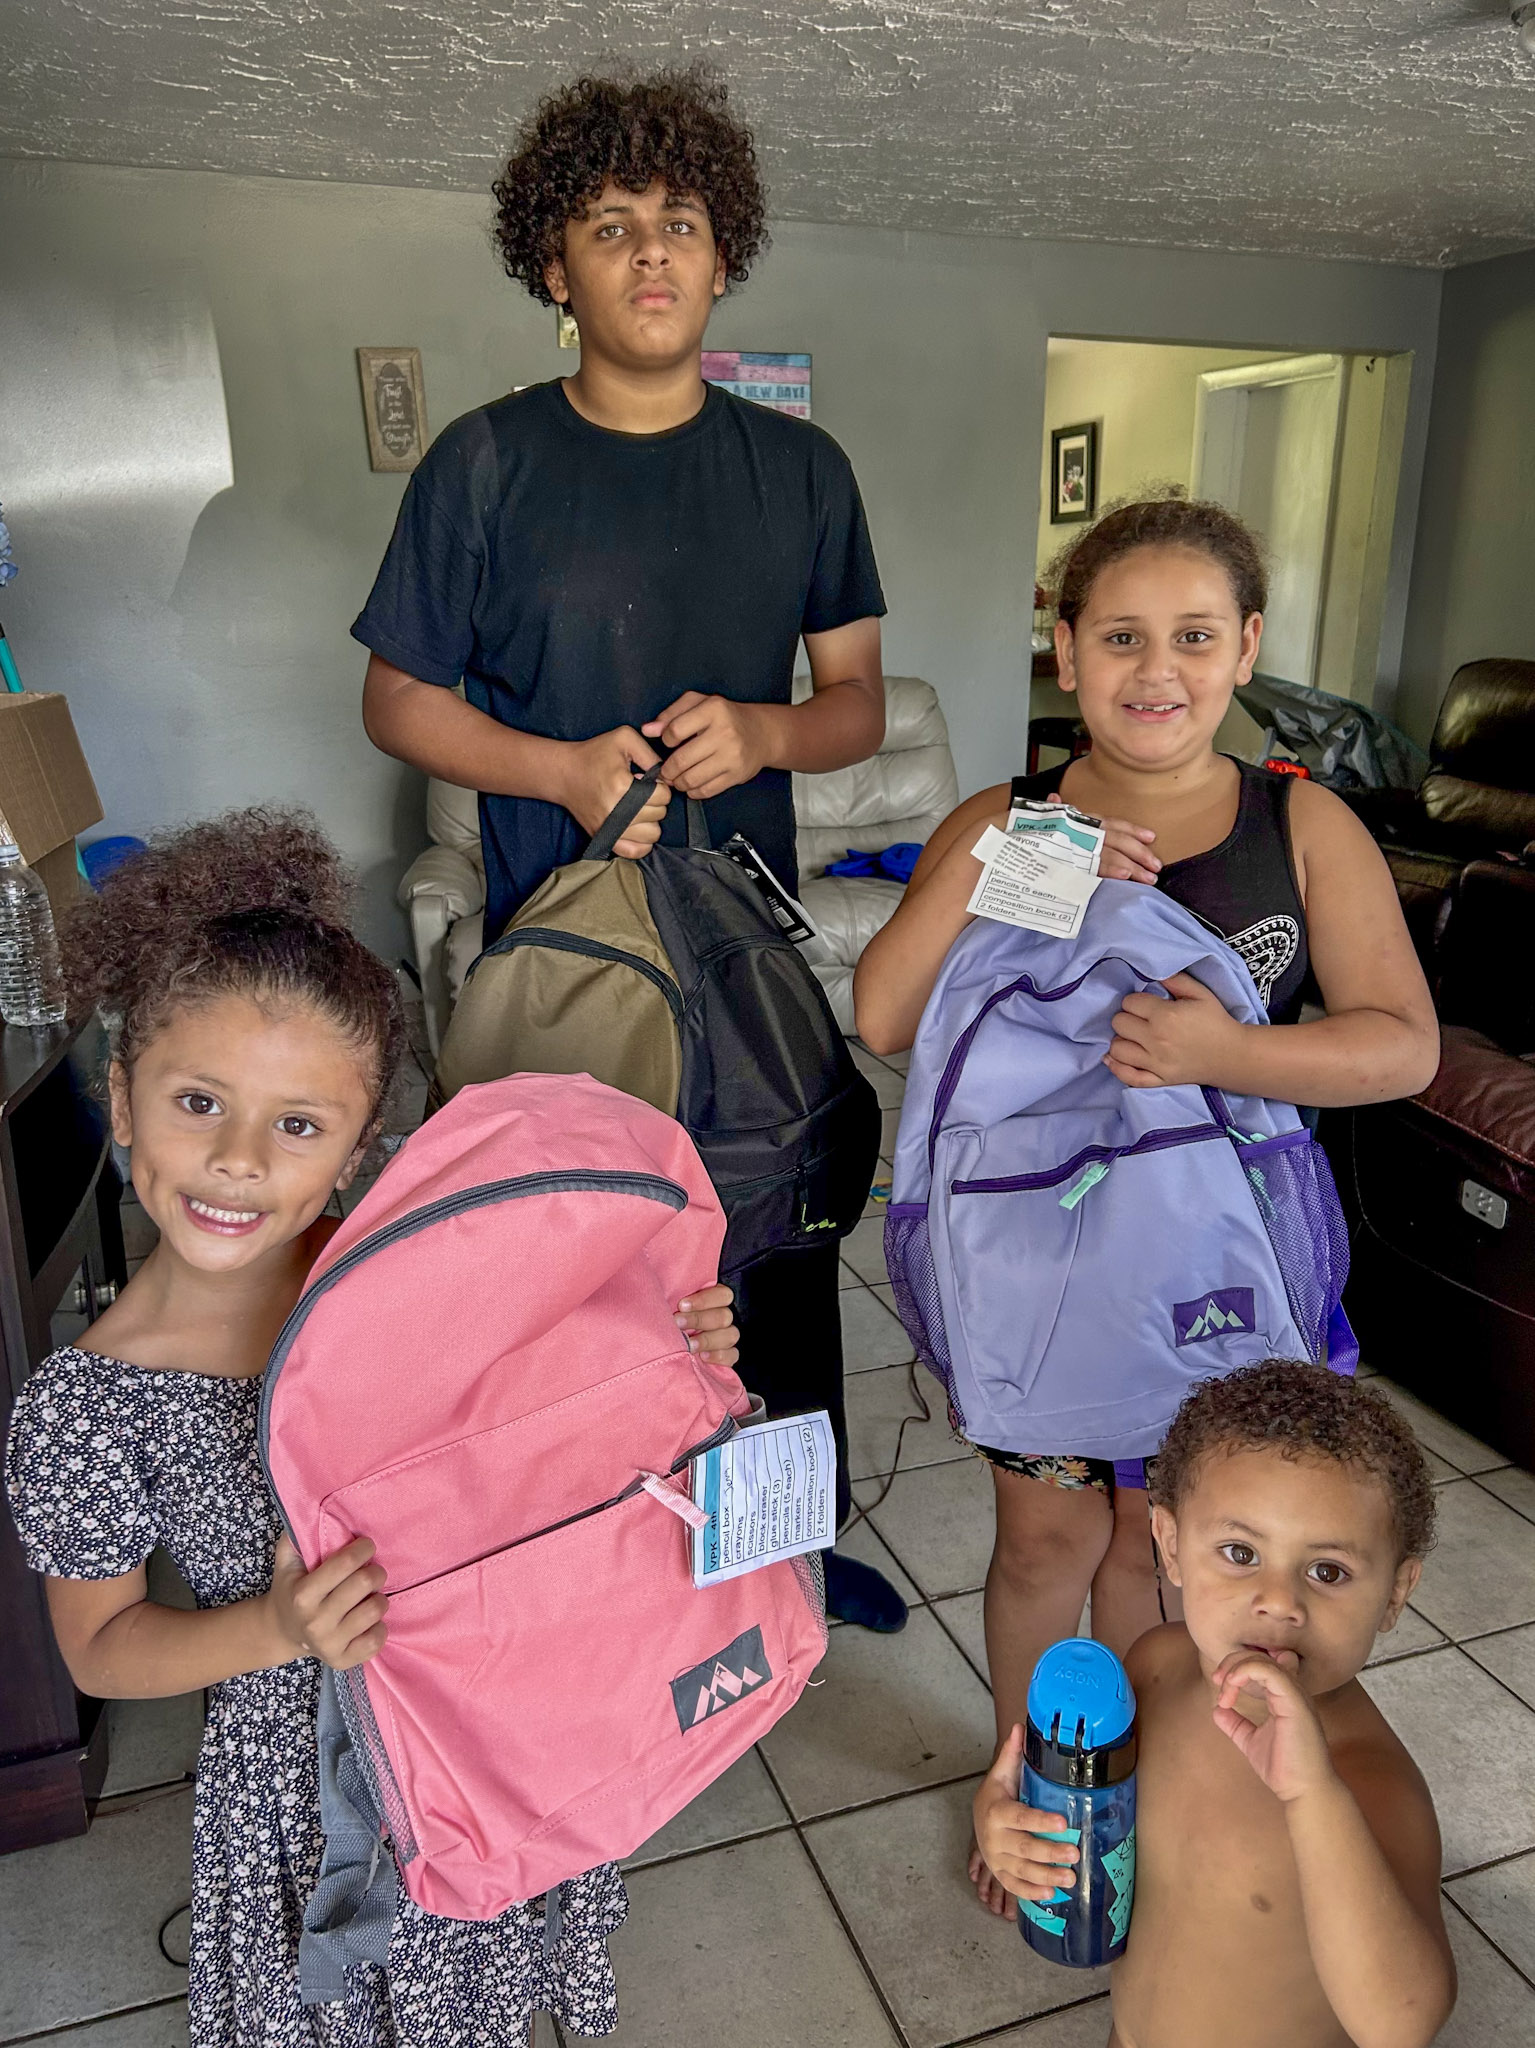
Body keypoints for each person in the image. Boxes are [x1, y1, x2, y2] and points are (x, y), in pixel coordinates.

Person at [3, 809, 742, 2046]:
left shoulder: (415, 1283)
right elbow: (102, 1649)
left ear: (355, 1152)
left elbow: (552, 1422)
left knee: (476, 1994)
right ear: (122, 1099)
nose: (238, 1159)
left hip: (488, 1721)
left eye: (298, 1124)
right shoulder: (88, 1402)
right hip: (303, 1790)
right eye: (198, 1101)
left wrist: (667, 1347)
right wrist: (277, 1626)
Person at [356, 69, 903, 1631]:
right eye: (609, 226)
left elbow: (855, 704)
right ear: (555, 267)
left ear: (723, 258)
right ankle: (600, 1569)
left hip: (740, 950)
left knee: (769, 1243)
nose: (650, 250)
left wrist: (767, 732)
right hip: (563, 944)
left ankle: (780, 1552)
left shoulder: (803, 472)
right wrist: (559, 765)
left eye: (679, 223)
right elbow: (396, 699)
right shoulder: (481, 465)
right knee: (581, 1264)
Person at [853, 495, 1440, 1900]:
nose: (1153, 669)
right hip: (1039, 1276)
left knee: (1154, 1543)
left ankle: (1129, 1777)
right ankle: (1024, 1791)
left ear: (1244, 647)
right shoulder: (1009, 819)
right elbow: (883, 1014)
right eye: (1118, 636)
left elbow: (1399, 1045)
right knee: (1043, 1539)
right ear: (1063, 652)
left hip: (1220, 1277)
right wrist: (1019, 866)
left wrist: (1221, 1053)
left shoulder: (1300, 824)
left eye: (1191, 635)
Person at [975, 1360, 1456, 2048]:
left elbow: (1401, 2024)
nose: (1278, 1602)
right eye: (1239, 1552)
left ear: (1395, 1593)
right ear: (1171, 1546)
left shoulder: (1369, 1785)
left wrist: (1312, 1797)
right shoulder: (1153, 1669)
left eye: (1328, 1571)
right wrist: (1007, 1829)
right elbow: (1094, 1832)